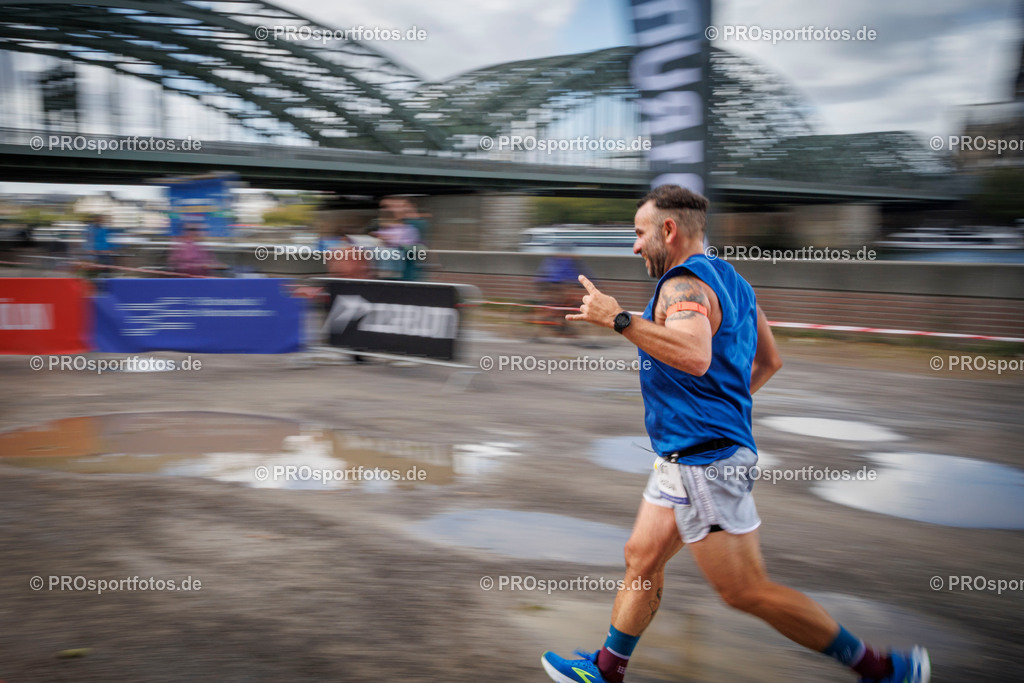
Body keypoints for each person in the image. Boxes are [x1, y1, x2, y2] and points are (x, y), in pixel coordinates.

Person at [541, 185, 929, 683]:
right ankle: (605, 669)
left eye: (639, 234)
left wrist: (619, 319)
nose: (635, 247)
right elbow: (770, 360)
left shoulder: (683, 286)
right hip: (685, 458)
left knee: (745, 590)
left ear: (668, 230)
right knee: (640, 557)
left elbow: (695, 355)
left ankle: (885, 669)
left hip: (705, 462)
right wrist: (720, 406)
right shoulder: (735, 282)